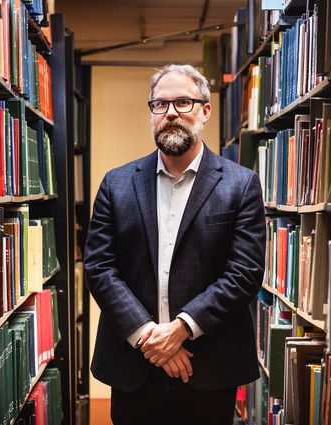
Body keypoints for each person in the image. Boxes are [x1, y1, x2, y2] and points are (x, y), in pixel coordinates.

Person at [84, 64, 266, 425]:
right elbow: (99, 267)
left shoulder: (241, 184)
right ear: (151, 112)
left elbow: (244, 273)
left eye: (183, 102)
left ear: (205, 110)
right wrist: (150, 338)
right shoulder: (116, 183)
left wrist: (181, 329)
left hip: (209, 366)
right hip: (134, 365)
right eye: (160, 104)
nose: (170, 113)